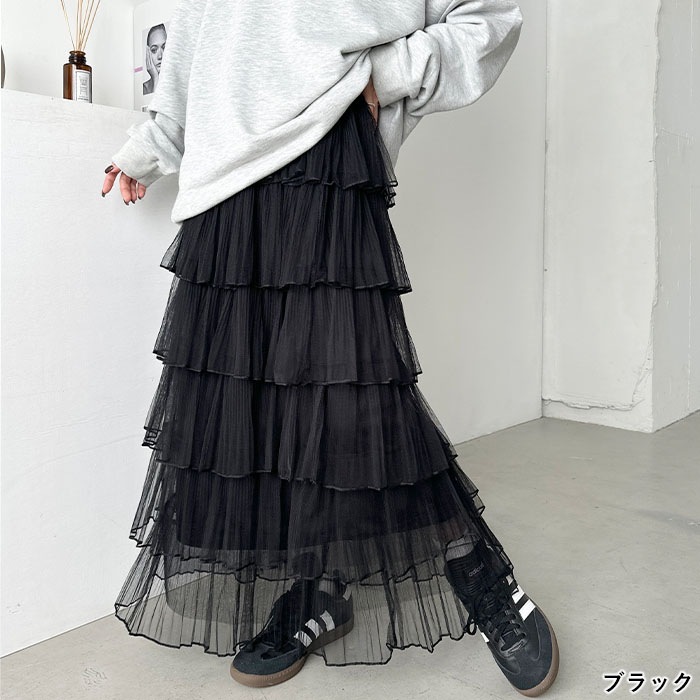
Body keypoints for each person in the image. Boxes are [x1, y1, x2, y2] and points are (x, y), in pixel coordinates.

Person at [102, 0, 559, 696]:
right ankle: (318, 585)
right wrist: (147, 149)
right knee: (259, 417)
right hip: (223, 191)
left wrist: (386, 72)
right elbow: (199, 67)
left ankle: (484, 578)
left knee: (355, 404)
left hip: (324, 157)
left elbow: (487, 20)